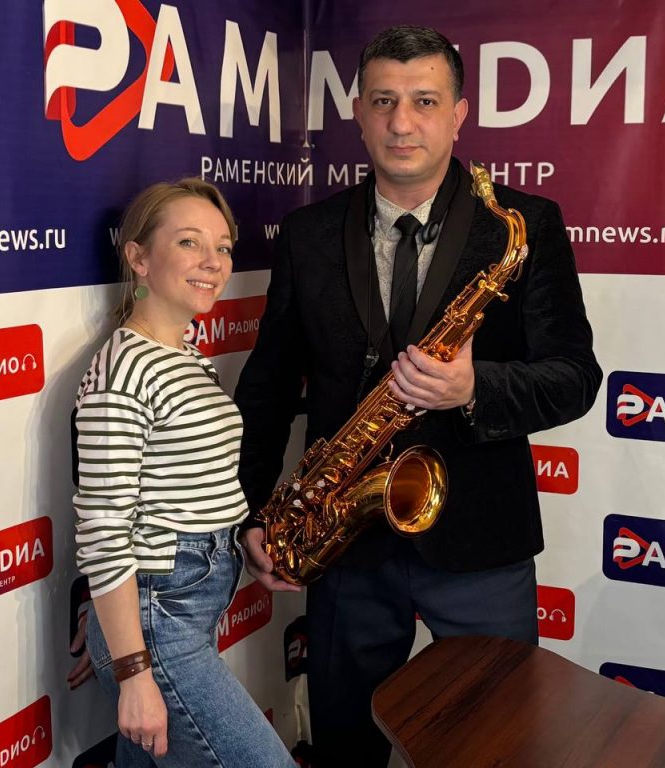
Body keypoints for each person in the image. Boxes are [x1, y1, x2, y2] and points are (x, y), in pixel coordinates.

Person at [234, 25, 603, 768]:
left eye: (425, 101)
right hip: (345, 543)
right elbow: (268, 386)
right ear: (359, 112)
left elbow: (575, 376)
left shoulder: (525, 226)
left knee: (496, 745)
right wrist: (254, 512)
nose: (402, 122)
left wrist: (475, 386)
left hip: (480, 543)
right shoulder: (307, 233)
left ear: (459, 113)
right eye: (383, 101)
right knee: (345, 745)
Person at [73, 178, 296, 768]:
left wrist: (240, 541)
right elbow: (103, 526)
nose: (213, 262)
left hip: (176, 615)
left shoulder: (184, 357)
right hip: (158, 629)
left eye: (223, 247)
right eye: (190, 242)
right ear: (139, 257)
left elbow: (180, 493)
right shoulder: (124, 369)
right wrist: (132, 668)